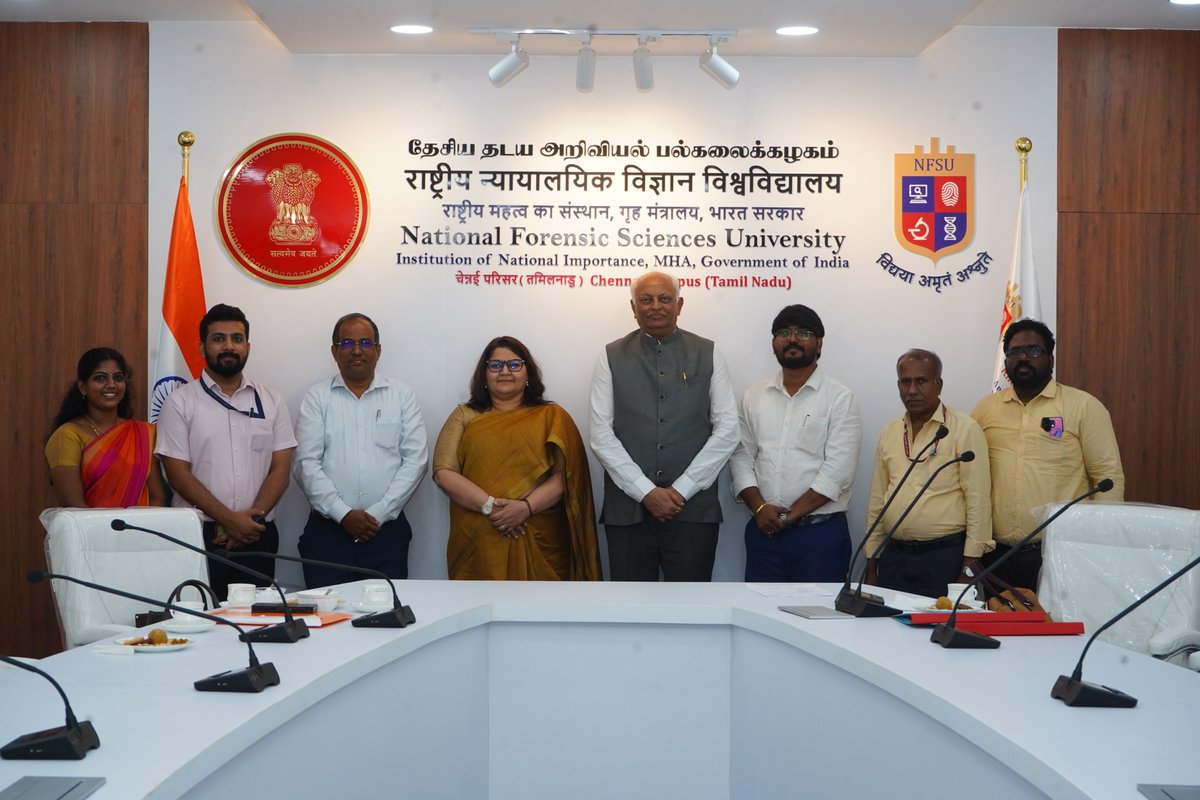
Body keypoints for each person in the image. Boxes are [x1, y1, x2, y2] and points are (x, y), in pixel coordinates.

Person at [590, 271, 739, 582]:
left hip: (693, 512)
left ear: (679, 304)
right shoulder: (610, 356)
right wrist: (645, 492)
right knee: (630, 613)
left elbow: (728, 431)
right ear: (633, 307)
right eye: (646, 300)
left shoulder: (708, 352)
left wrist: (681, 490)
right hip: (628, 513)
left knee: (691, 612)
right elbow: (601, 435)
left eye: (664, 298)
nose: (655, 306)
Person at [154, 304, 297, 599]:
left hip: (258, 536)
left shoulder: (271, 401)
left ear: (247, 346)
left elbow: (281, 469)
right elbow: (177, 475)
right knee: (201, 623)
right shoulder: (179, 403)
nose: (229, 346)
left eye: (237, 338)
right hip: (200, 536)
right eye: (219, 339)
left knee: (258, 625)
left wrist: (249, 523)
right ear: (201, 346)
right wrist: (230, 521)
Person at [972, 319, 1125, 589]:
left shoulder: (1083, 407)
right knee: (993, 630)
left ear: (1050, 358)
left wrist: (1097, 545)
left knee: (1055, 629)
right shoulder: (985, 410)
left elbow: (1108, 479)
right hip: (994, 556)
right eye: (1014, 352)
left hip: (1057, 553)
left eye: (1033, 351)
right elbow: (972, 480)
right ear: (1005, 360)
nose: (1023, 358)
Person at [433, 335, 601, 581]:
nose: (505, 371)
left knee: (542, 614)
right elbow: (443, 471)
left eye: (514, 364)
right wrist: (491, 507)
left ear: (528, 374)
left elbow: (565, 476)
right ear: (485, 374)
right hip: (480, 538)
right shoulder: (464, 416)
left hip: (540, 536)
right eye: (495, 365)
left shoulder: (552, 416)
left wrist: (525, 508)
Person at [293, 313, 428, 588]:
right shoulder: (317, 397)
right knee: (328, 620)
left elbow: (415, 462)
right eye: (347, 343)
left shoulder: (401, 396)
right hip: (328, 533)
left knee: (386, 623)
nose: (356, 350)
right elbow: (306, 464)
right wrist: (343, 513)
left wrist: (378, 513)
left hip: (386, 534)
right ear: (334, 351)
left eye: (365, 342)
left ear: (378, 350)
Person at [729, 305, 862, 582]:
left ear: (819, 343)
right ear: (773, 344)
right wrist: (761, 509)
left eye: (803, 332)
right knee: (760, 620)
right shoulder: (753, 396)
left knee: (819, 619)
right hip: (763, 533)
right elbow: (741, 457)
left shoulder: (839, 398)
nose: (792, 339)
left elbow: (838, 471)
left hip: (819, 536)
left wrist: (789, 518)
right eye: (783, 333)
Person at [862, 350, 993, 598]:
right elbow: (878, 502)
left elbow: (978, 502)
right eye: (905, 381)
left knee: (933, 632)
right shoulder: (890, 432)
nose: (912, 390)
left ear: (938, 384)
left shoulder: (964, 430)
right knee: (886, 631)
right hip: (894, 558)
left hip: (943, 559)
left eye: (921, 381)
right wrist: (872, 564)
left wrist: (968, 571)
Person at [45, 347, 167, 508]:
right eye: (100, 378)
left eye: (118, 377)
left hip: (140, 530)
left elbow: (157, 496)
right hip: (89, 530)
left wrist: (142, 530)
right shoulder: (68, 435)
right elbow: (72, 504)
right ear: (82, 387)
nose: (111, 385)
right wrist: (107, 532)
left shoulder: (143, 433)